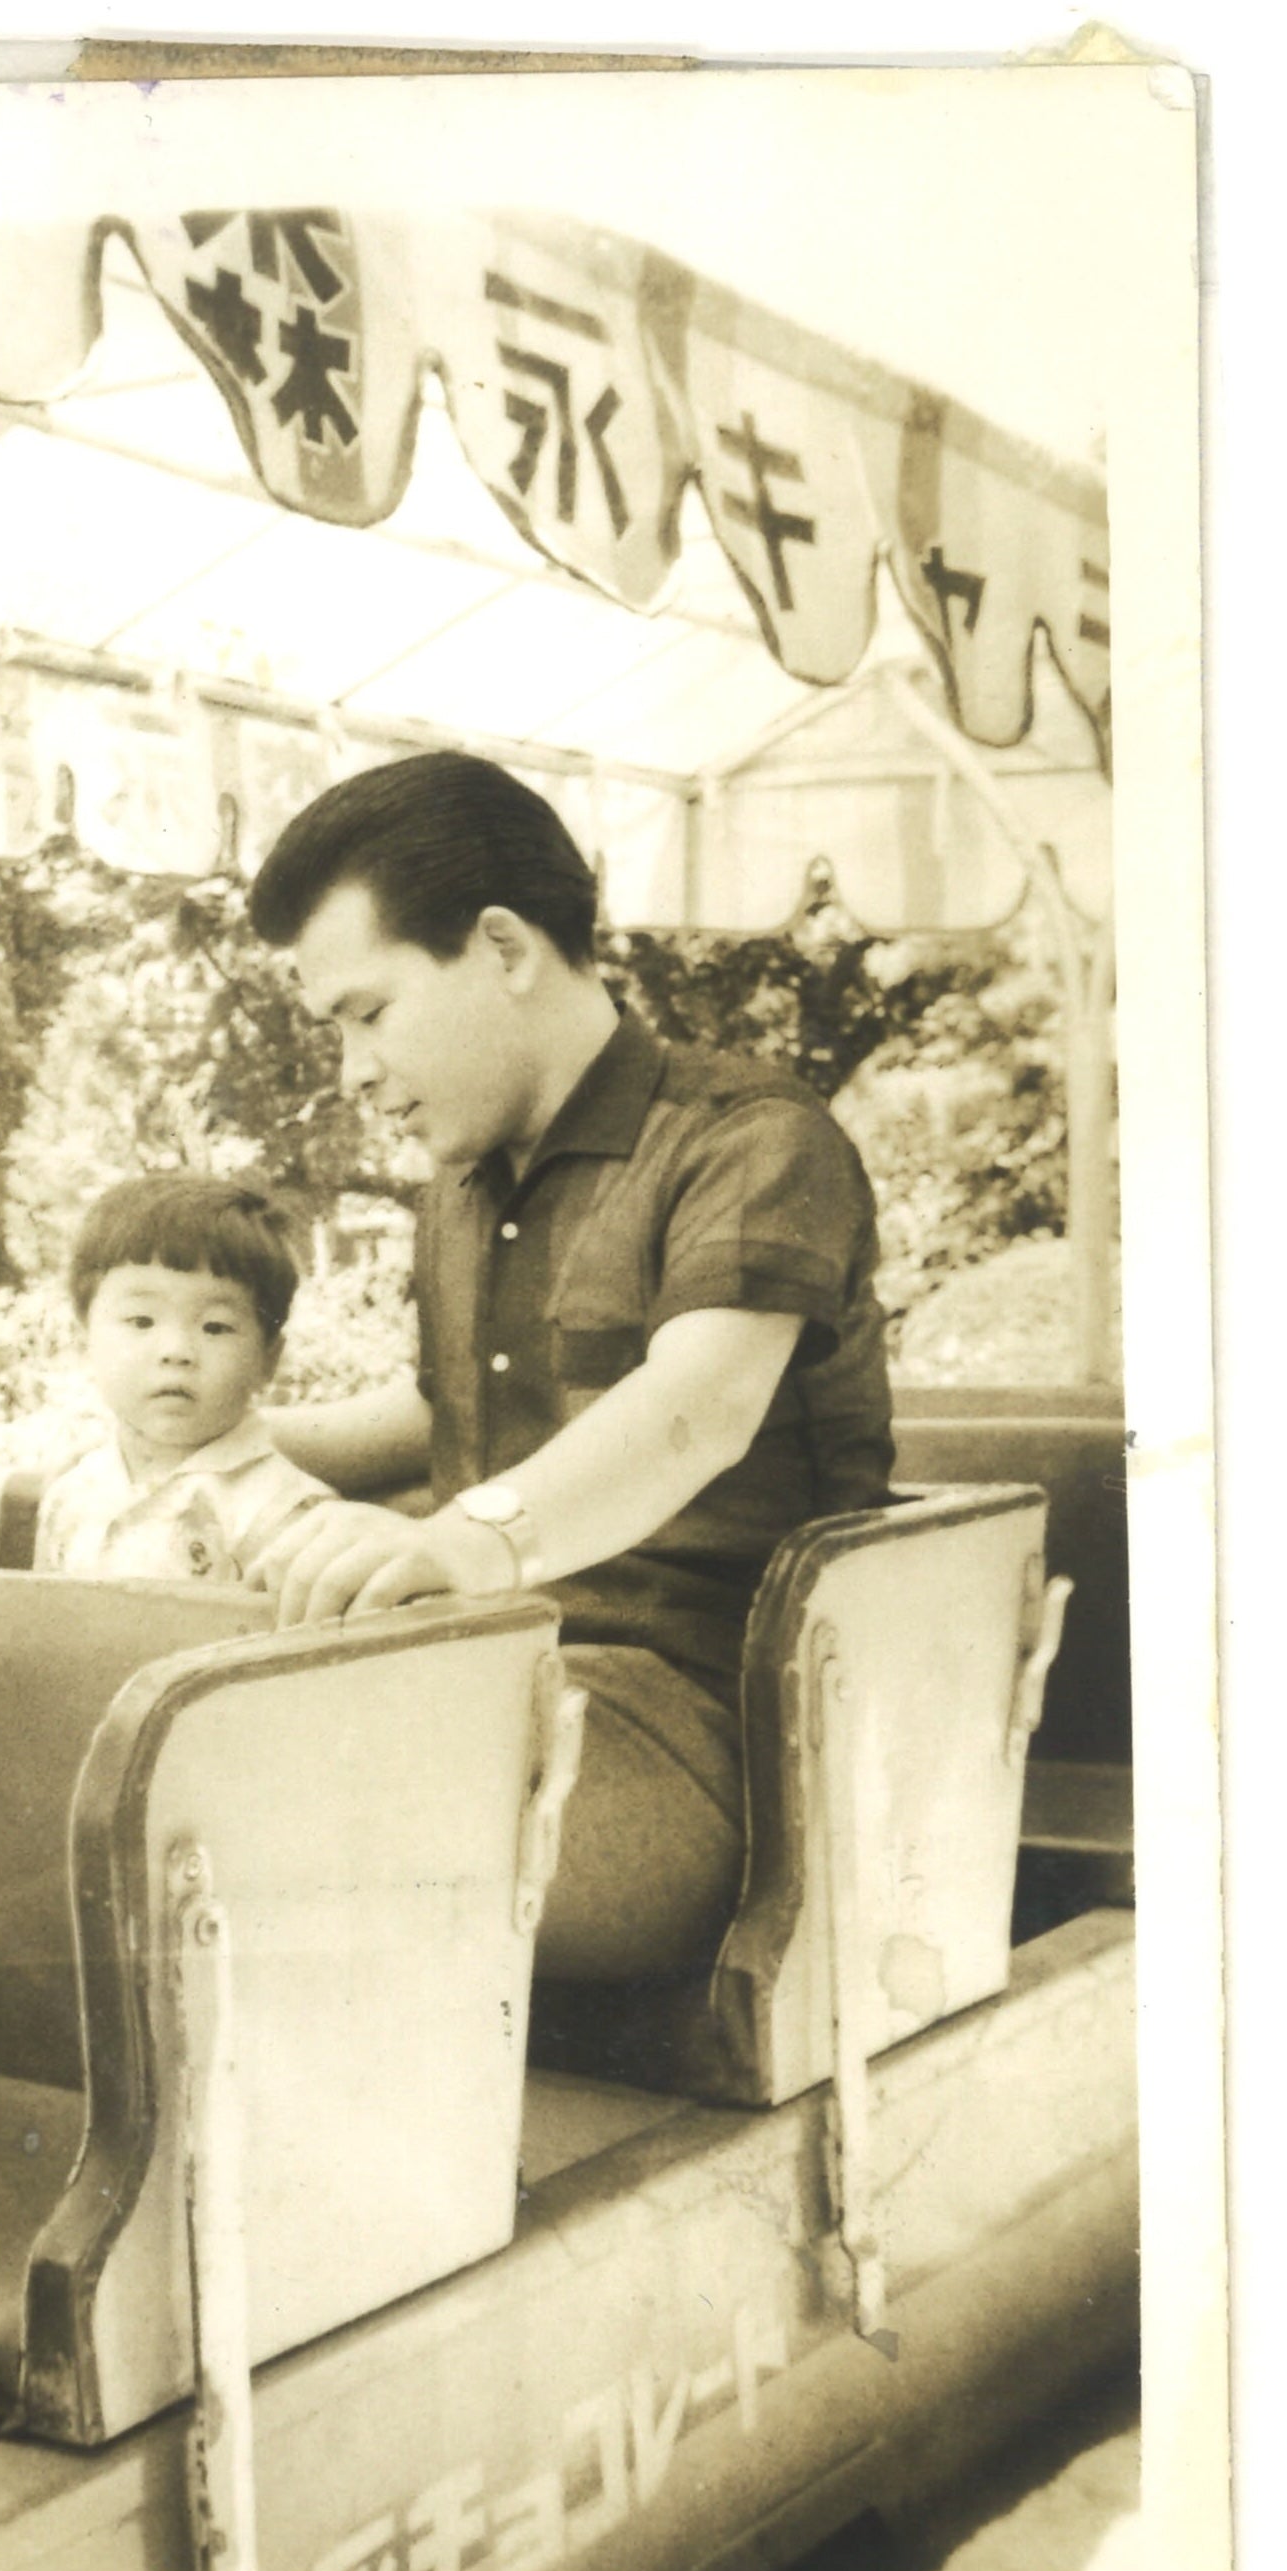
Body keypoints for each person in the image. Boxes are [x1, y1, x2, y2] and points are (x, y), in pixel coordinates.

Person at [245, 751, 894, 1995]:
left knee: (283, 1842)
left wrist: (470, 1541)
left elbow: (695, 1409)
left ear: (501, 947)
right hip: (496, 1685)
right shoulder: (463, 1185)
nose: (355, 1074)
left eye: (367, 1014)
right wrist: (216, 1449)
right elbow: (442, 1417)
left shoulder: (753, 1141)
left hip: (729, 1739)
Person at [33, 1173, 333, 1584]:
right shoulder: (69, 1495)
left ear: (268, 1360)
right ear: (85, 1339)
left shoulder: (286, 1515)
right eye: (141, 1320)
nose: (175, 1350)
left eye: (214, 1327)